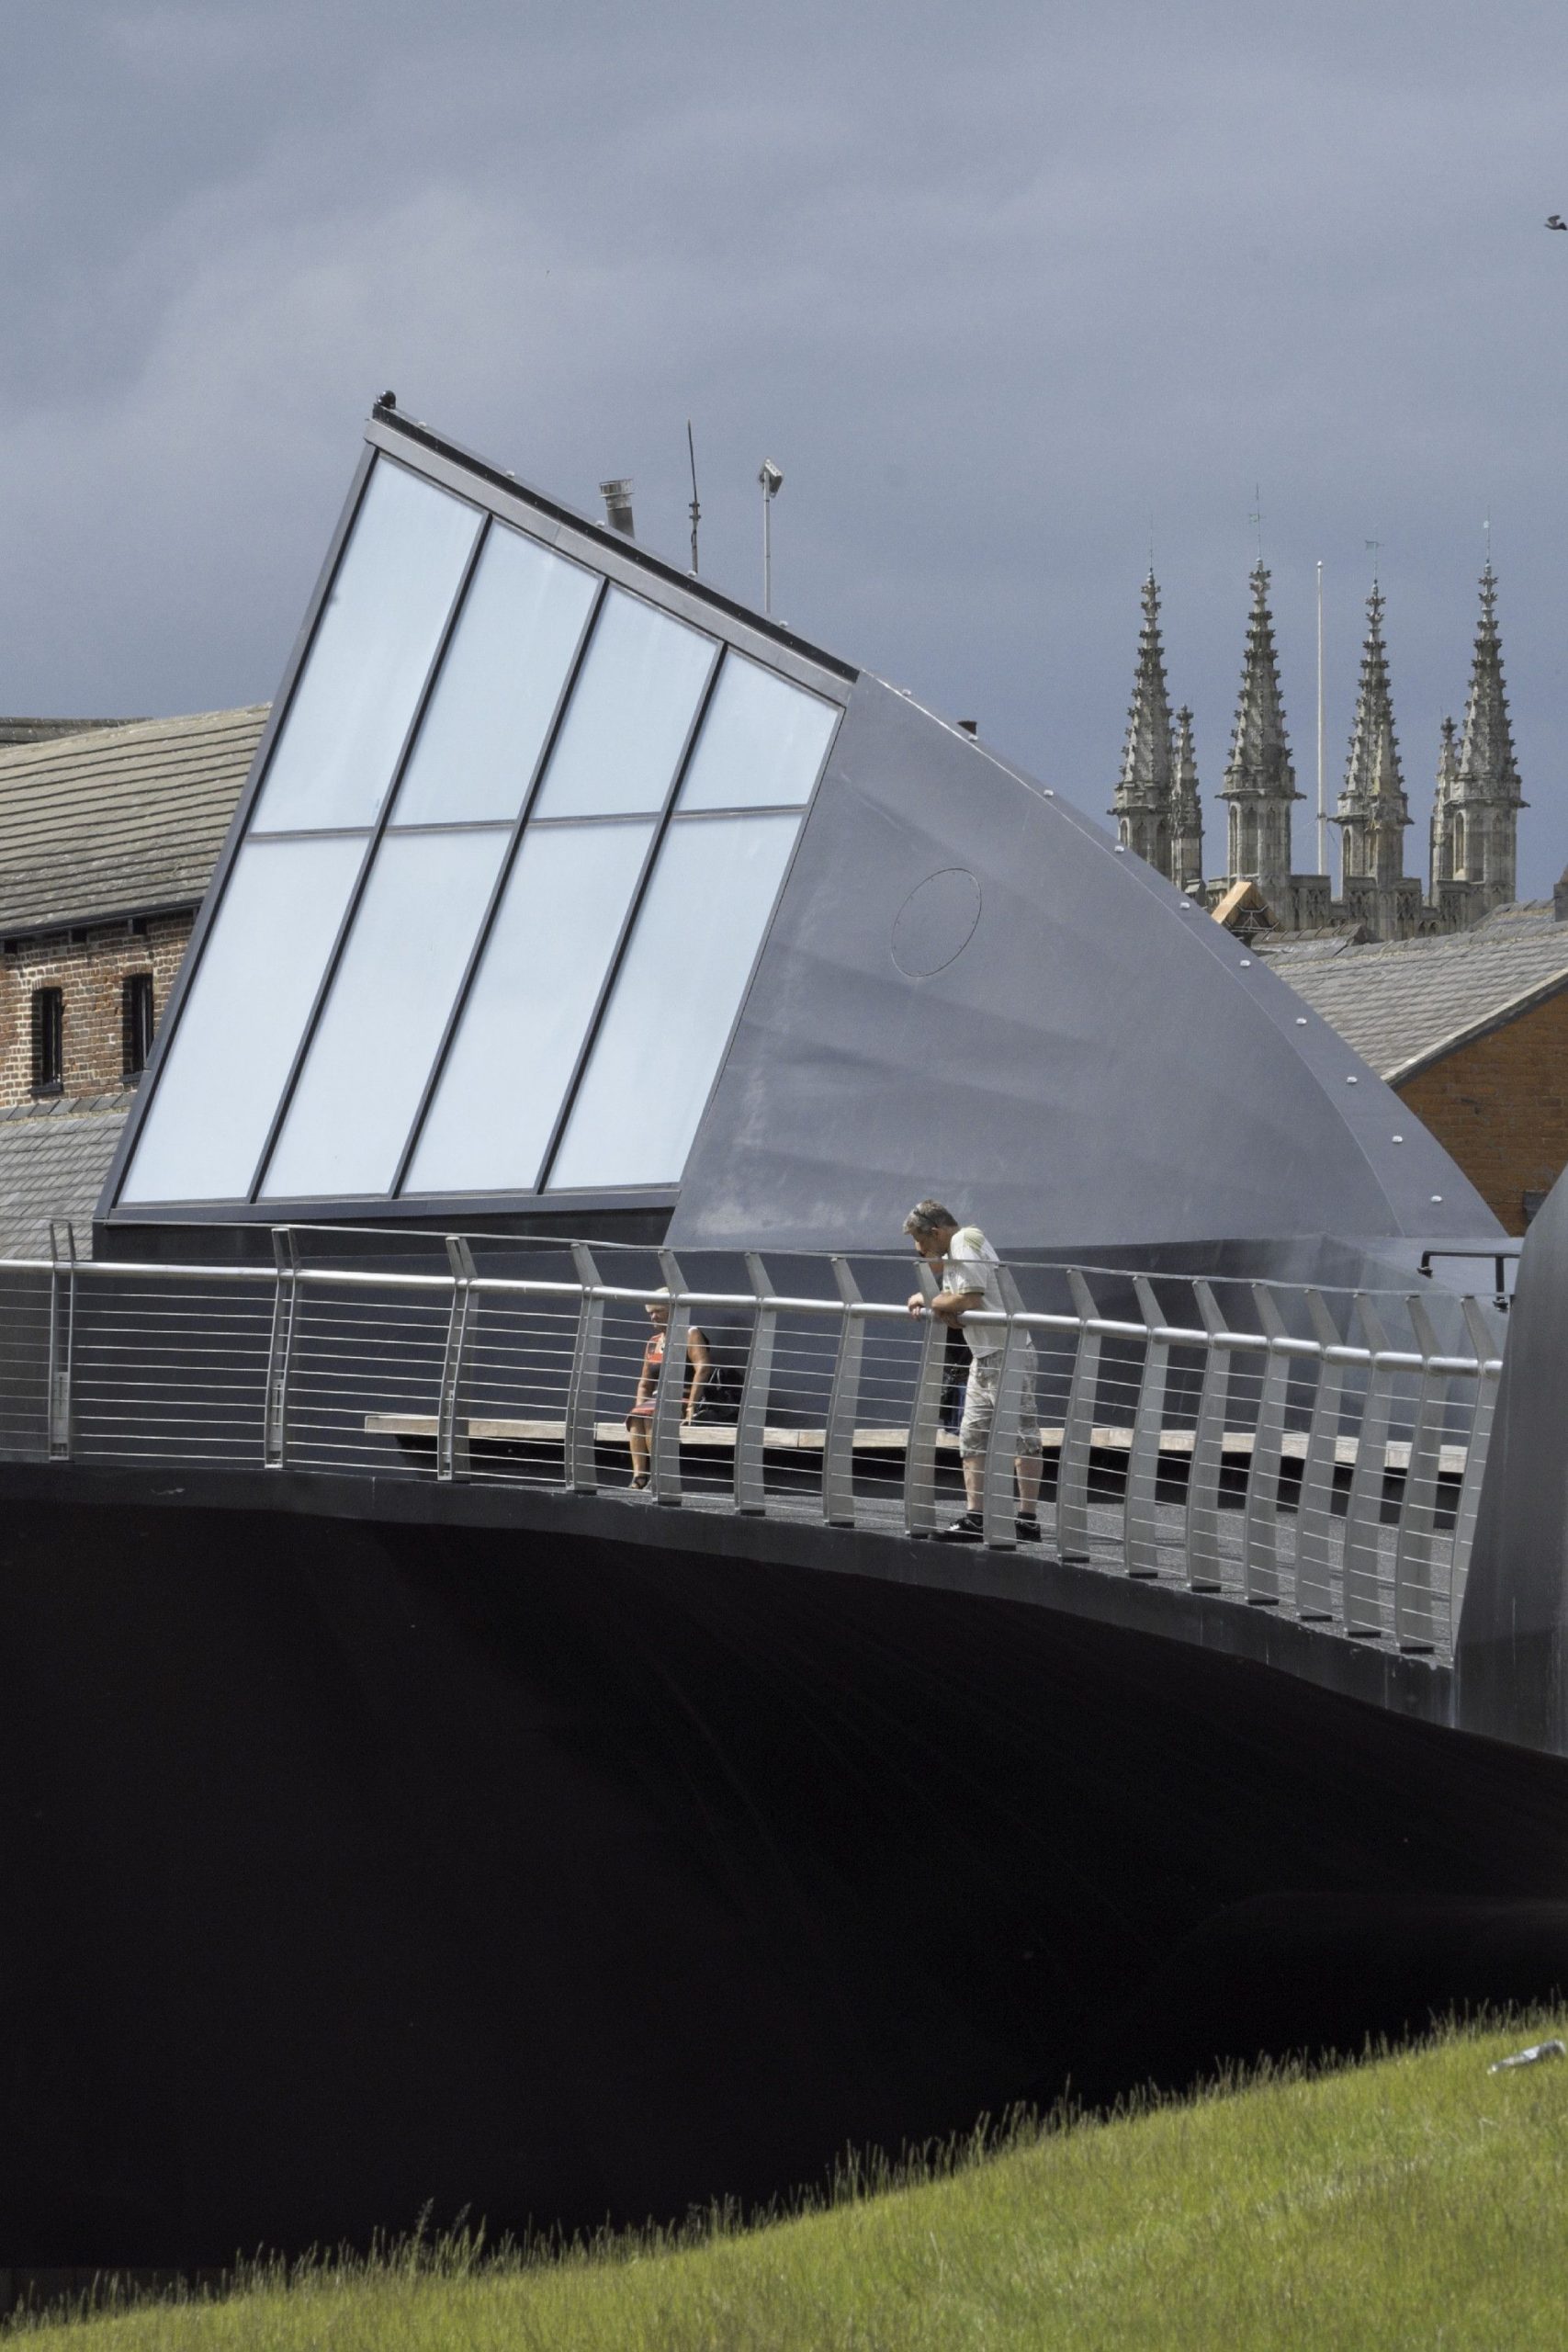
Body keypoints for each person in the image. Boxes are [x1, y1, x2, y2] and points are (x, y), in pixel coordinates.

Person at [903, 1199, 1043, 1544]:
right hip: (984, 1355)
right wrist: (939, 1300)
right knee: (972, 1435)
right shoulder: (956, 1251)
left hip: (1008, 1352)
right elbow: (956, 1298)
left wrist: (931, 1300)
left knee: (1022, 1434)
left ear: (936, 1232)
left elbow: (968, 1299)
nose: (920, 1252)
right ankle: (976, 1517)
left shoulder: (965, 1240)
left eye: (921, 1242)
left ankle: (1027, 1519)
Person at [626, 1291, 711, 1489]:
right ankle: (639, 1477)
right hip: (657, 1402)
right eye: (650, 1313)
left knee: (650, 1415)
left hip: (683, 1398)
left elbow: (703, 1368)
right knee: (636, 1418)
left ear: (673, 1310)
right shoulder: (653, 1342)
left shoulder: (690, 1334)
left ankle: (659, 1475)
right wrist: (639, 1407)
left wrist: (691, 1406)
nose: (653, 1316)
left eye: (659, 1311)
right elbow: (645, 1384)